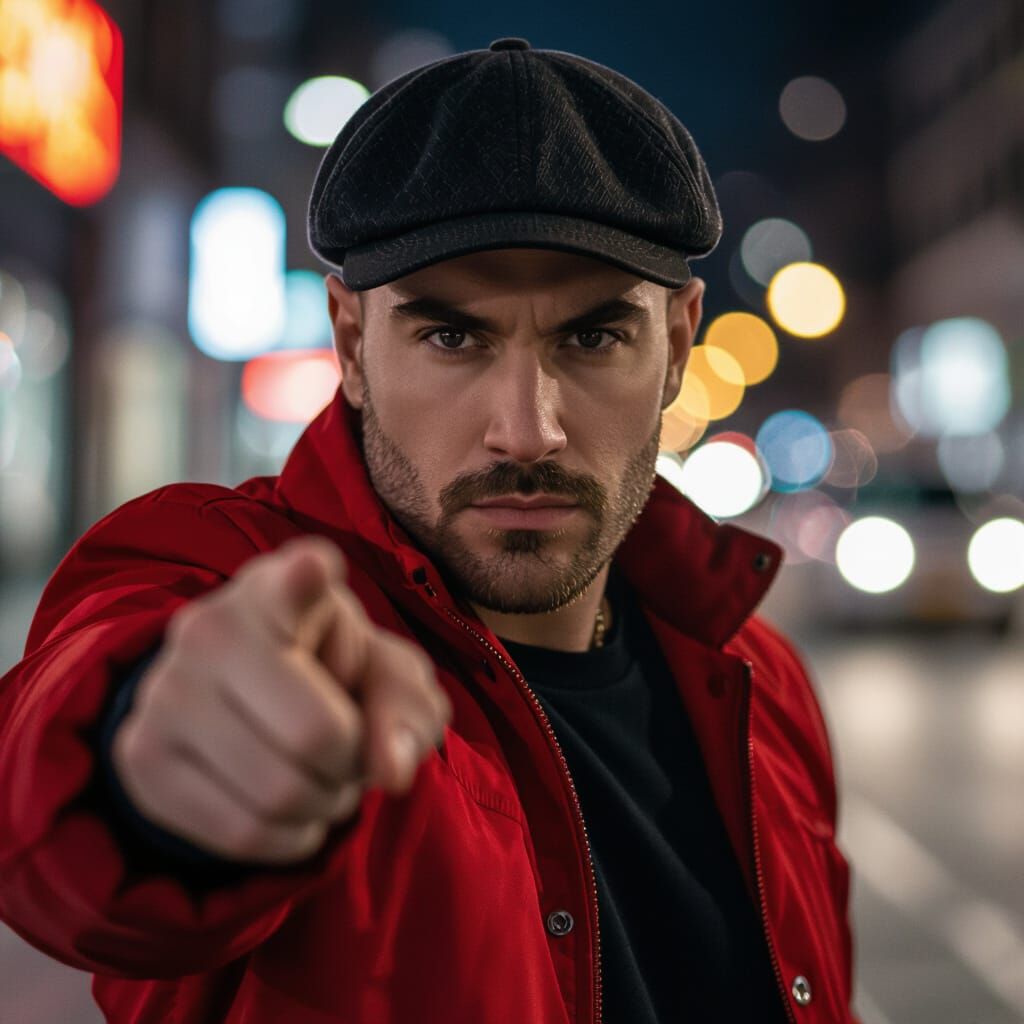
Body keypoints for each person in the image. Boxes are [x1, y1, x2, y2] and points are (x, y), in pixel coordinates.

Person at [0, 37, 860, 1024]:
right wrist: (153, 761)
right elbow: (64, 764)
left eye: (591, 336)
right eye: (452, 335)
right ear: (352, 344)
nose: (526, 428)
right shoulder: (229, 581)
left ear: (675, 345)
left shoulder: (762, 680)